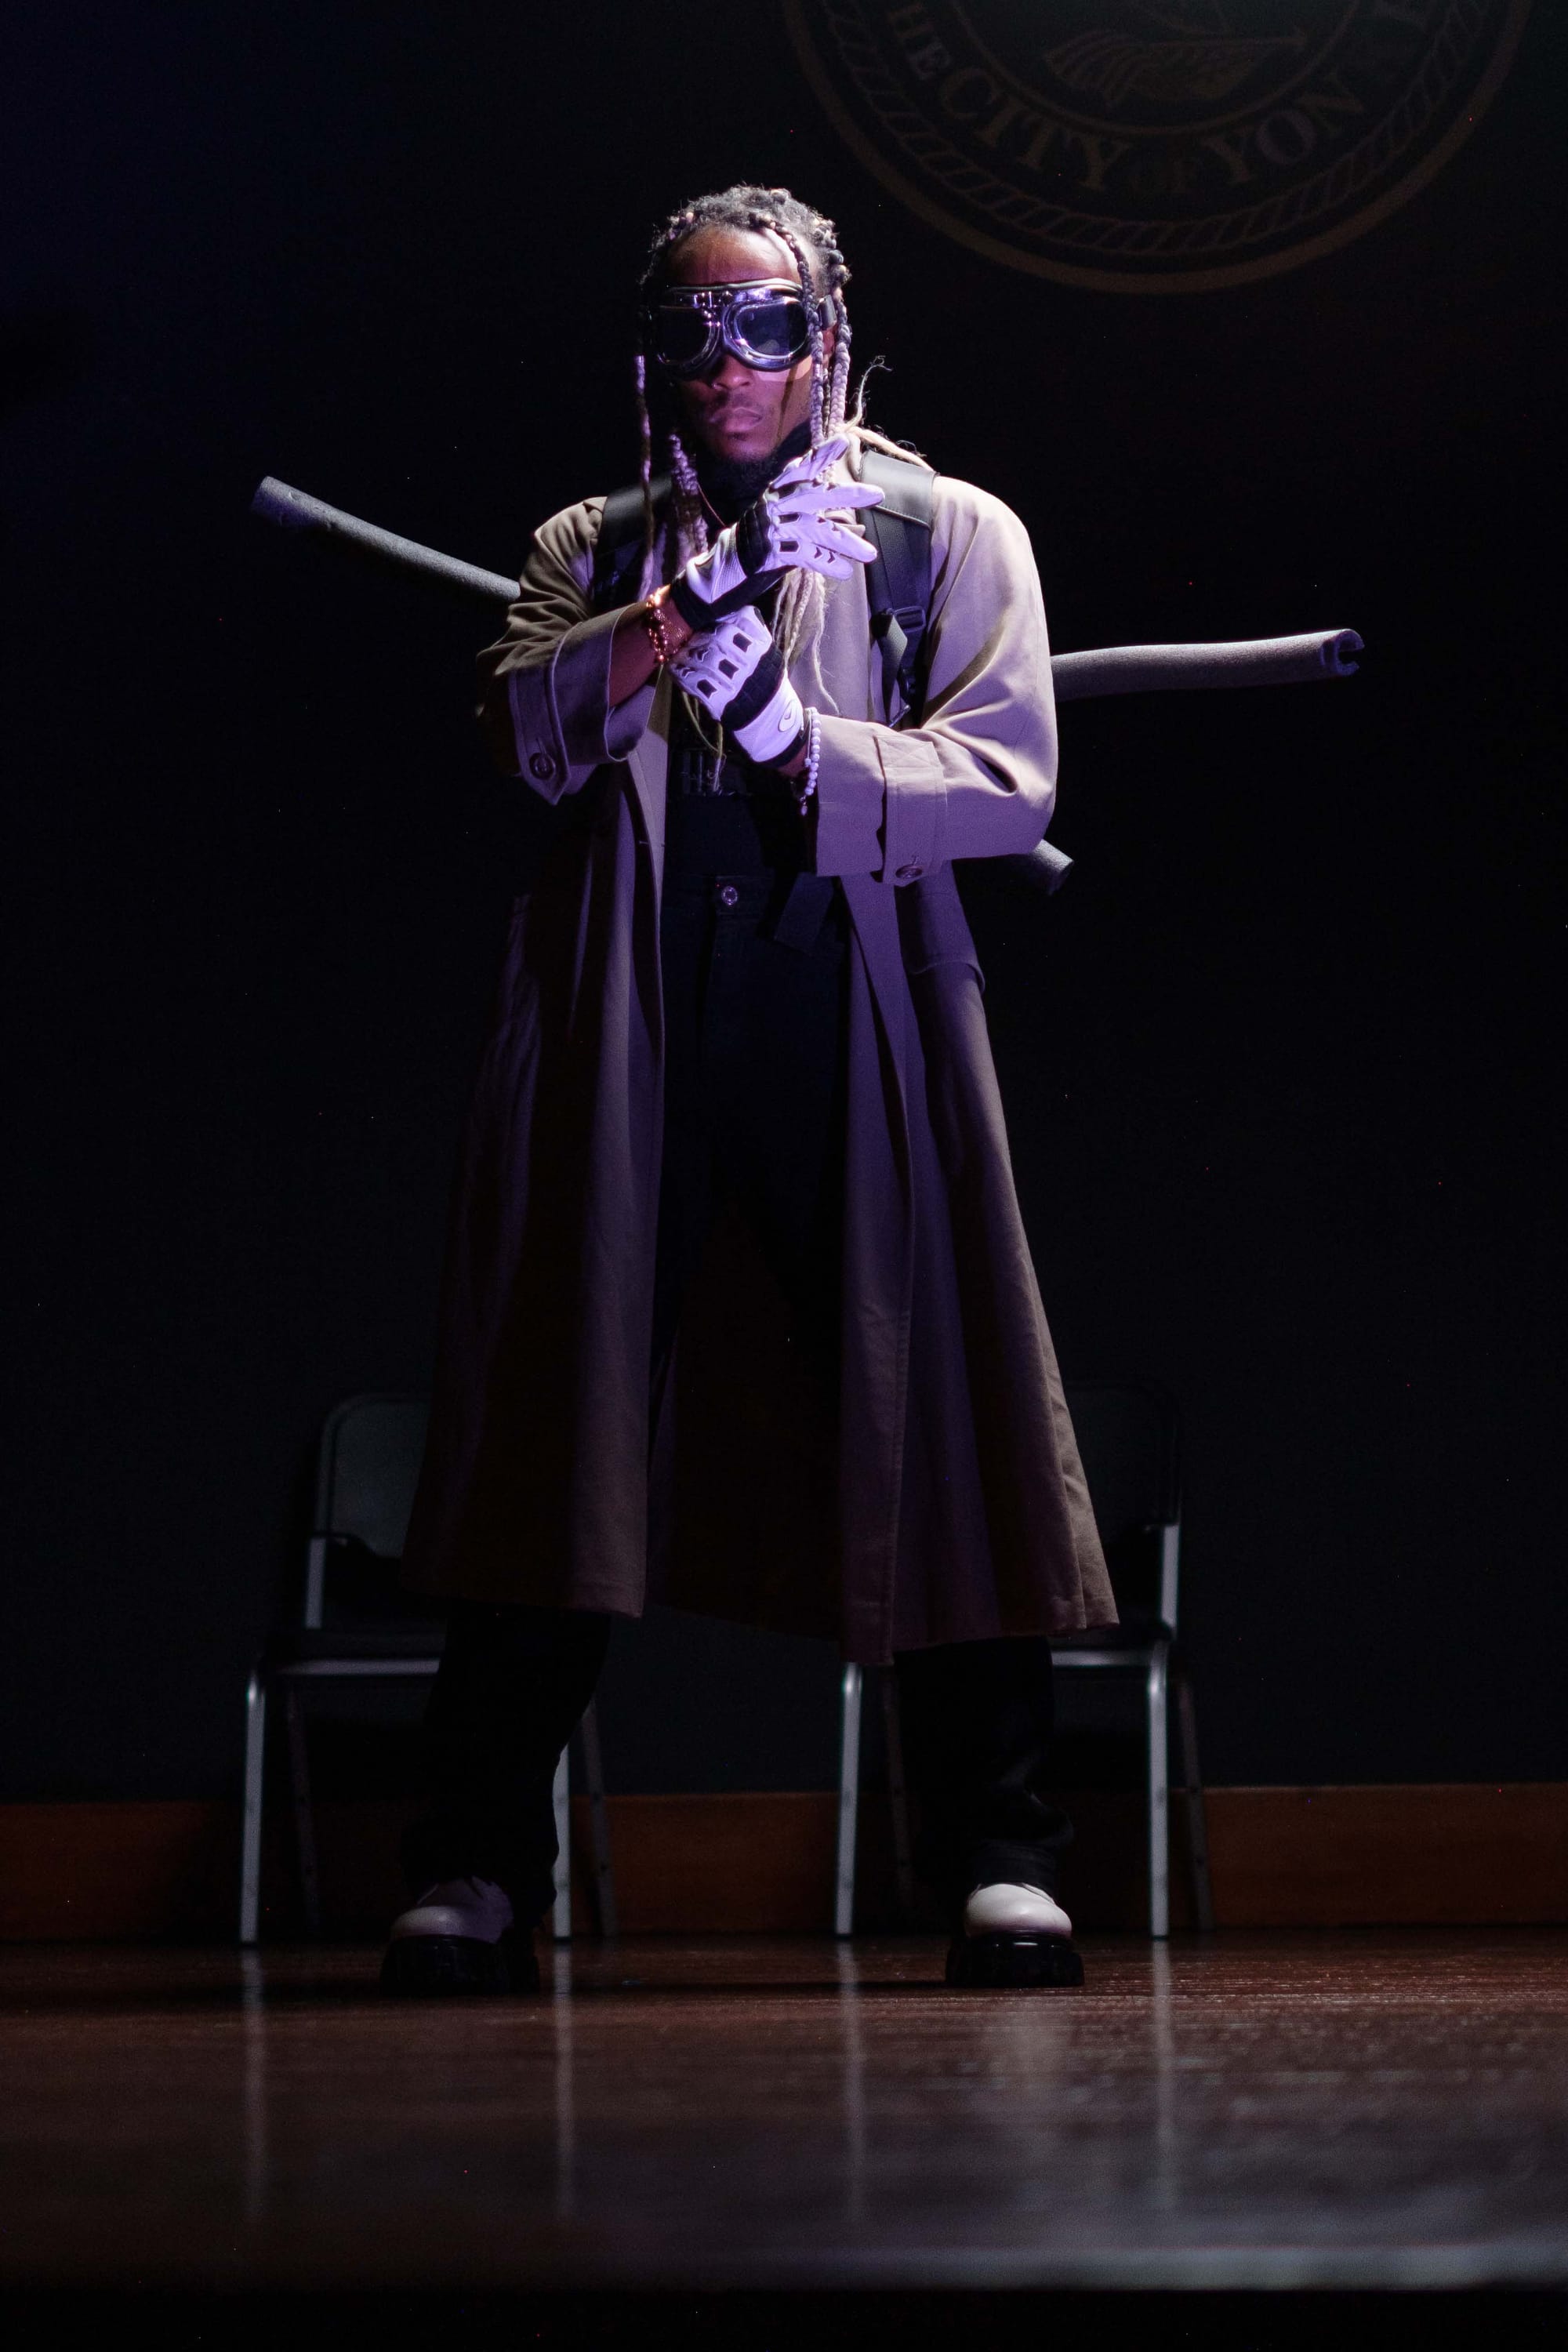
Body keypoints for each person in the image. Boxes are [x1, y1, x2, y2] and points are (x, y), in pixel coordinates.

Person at [382, 185, 1116, 1998]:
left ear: (830, 338)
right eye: (692, 328)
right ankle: (474, 1862)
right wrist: (683, 604)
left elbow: (1004, 778)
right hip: (630, 1017)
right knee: (560, 1411)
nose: (729, 364)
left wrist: (797, 736)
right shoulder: (591, 543)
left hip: (849, 1009)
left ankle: (1000, 1852)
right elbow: (525, 729)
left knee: (937, 1406)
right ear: (653, 354)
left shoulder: (944, 534)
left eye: (766, 324)